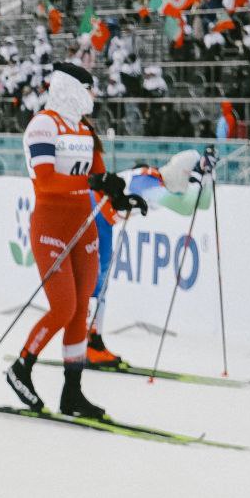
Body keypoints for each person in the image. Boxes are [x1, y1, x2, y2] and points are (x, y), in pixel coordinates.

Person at [7, 63, 141, 419]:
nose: (92, 96)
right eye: (88, 88)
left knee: (82, 309)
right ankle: (21, 367)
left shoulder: (84, 130)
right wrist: (94, 183)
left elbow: (99, 176)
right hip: (51, 226)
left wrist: (120, 197)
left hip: (84, 227)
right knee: (63, 307)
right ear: (71, 88)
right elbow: (47, 181)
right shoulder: (43, 125)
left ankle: (73, 392)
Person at [86, 148, 216, 365]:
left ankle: (92, 342)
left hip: (104, 220)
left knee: (100, 286)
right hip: (95, 214)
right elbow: (186, 207)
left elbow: (202, 204)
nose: (186, 189)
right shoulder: (149, 183)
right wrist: (197, 175)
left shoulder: (158, 181)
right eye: (188, 181)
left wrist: (207, 174)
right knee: (96, 284)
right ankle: (89, 344)